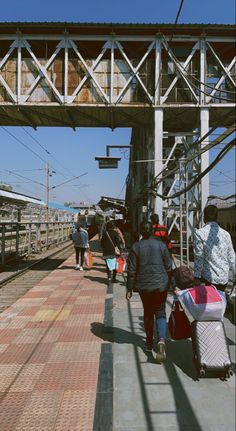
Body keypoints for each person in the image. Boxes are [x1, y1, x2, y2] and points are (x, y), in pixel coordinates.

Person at [126, 221, 172, 363]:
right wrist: (169, 284)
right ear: (152, 230)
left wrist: (129, 288)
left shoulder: (136, 247)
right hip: (161, 285)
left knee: (148, 311)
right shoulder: (161, 245)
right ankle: (162, 340)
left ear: (141, 231)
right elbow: (169, 266)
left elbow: (131, 270)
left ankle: (148, 342)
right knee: (160, 312)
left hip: (144, 286)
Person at [193, 205, 235, 291]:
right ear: (216, 217)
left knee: (212, 302)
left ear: (204, 217)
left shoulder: (199, 233)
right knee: (221, 301)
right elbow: (232, 257)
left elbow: (199, 256)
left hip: (209, 278)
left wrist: (197, 276)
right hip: (224, 278)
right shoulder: (226, 234)